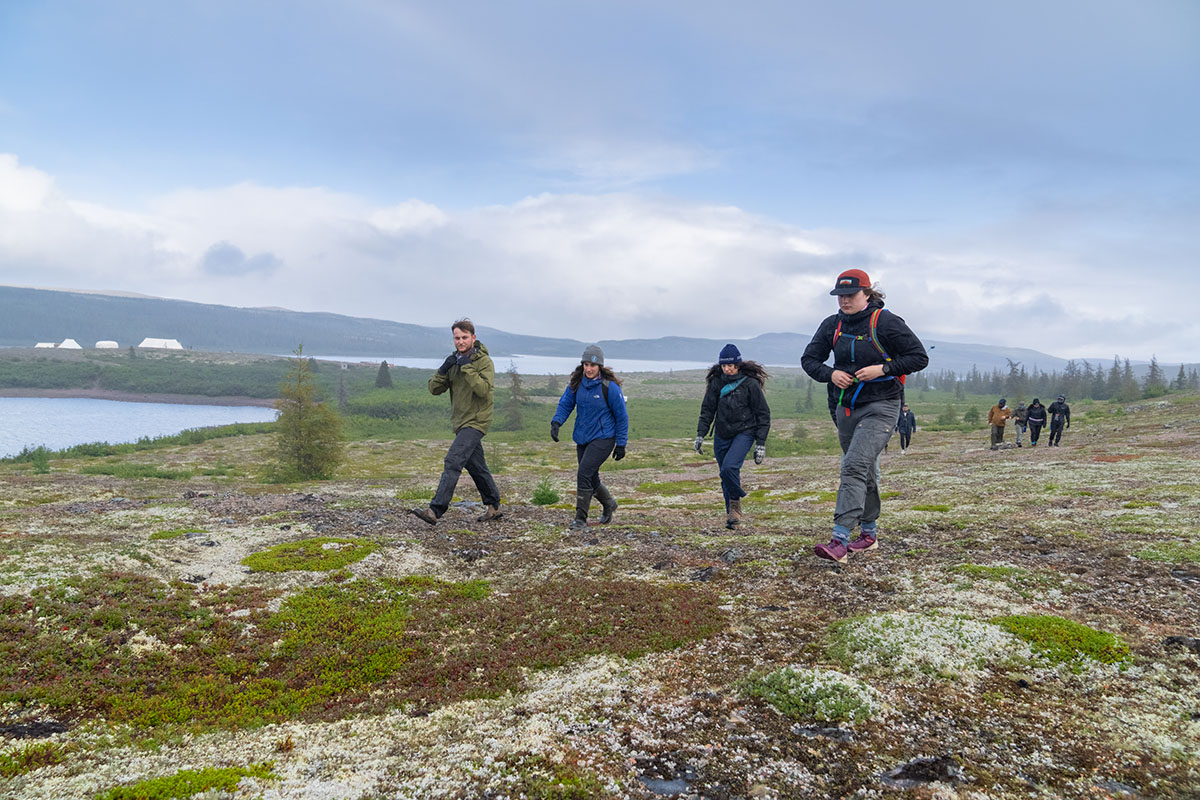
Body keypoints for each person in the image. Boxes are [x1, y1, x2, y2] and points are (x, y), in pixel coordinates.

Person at [802, 269, 928, 563]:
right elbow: (809, 360)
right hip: (845, 407)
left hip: (882, 405)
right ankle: (869, 534)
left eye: (850, 295)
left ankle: (839, 539)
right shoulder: (831, 325)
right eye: (840, 296)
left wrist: (883, 369)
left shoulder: (886, 322)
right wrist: (831, 374)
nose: (844, 301)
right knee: (864, 471)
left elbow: (919, 357)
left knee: (853, 466)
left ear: (868, 294)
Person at [409, 319, 502, 525]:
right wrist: (443, 369)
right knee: (477, 467)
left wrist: (467, 368)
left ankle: (435, 510)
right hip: (461, 423)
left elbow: (483, 390)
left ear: (473, 338)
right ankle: (494, 507)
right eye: (457, 338)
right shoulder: (454, 361)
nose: (460, 342)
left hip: (477, 421)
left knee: (453, 461)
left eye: (464, 338)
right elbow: (434, 389)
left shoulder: (484, 362)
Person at [551, 345, 629, 530]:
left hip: (604, 438)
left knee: (583, 473)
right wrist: (556, 422)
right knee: (591, 477)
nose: (589, 368)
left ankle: (580, 519)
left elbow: (622, 416)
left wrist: (621, 443)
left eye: (593, 365)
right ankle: (609, 503)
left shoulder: (609, 387)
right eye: (586, 364)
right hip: (583, 437)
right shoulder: (577, 384)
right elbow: (565, 404)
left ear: (599, 366)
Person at [694, 344, 772, 529]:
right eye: (724, 366)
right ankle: (732, 516)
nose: (727, 369)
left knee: (729, 468)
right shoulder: (716, 383)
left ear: (738, 364)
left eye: (730, 365)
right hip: (722, 433)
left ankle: (736, 502)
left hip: (744, 432)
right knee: (725, 475)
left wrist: (760, 443)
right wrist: (700, 434)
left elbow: (763, 414)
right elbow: (707, 410)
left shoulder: (750, 384)